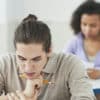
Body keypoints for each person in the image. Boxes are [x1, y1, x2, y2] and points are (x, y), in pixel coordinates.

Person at [0, 14, 95, 100]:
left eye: (36, 59)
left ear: (49, 50)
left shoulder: (71, 64)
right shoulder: (5, 64)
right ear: (15, 51)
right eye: (21, 58)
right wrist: (26, 95)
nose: (28, 68)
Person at [63, 1, 100, 99]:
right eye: (84, 24)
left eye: (93, 25)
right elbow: (63, 64)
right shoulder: (74, 42)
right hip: (80, 91)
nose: (87, 30)